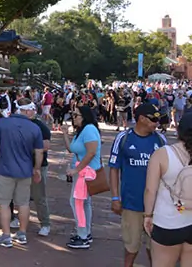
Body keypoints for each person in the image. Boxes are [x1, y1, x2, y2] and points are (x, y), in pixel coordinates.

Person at [109, 104, 166, 267]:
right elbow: (114, 169)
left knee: (154, 249)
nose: (157, 123)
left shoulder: (160, 140)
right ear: (141, 119)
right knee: (130, 247)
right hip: (131, 204)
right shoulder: (124, 138)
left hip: (156, 207)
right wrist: (115, 197)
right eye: (153, 119)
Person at [0, 98, 43, 248]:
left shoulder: (3, 123)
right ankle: (22, 233)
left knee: (3, 203)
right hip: (25, 171)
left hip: (4, 169)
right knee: (23, 203)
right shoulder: (34, 128)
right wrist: (36, 168)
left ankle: (6, 235)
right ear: (25, 110)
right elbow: (39, 152)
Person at [144, 112, 192, 267]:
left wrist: (148, 215)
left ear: (179, 129)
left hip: (167, 223)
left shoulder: (162, 154)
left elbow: (150, 190)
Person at [61, 105, 102, 249]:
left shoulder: (89, 129)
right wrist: (65, 133)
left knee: (77, 202)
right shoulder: (82, 131)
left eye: (76, 115)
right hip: (82, 172)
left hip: (86, 172)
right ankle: (85, 232)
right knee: (83, 203)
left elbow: (91, 153)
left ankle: (83, 235)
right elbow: (72, 149)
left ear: (84, 117)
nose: (74, 118)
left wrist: (76, 169)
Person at [10, 104, 53, 236]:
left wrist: (27, 148)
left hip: (37, 165)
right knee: (19, 195)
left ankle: (45, 224)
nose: (23, 113)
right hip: (20, 165)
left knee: (39, 195)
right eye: (21, 110)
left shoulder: (40, 126)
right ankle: (16, 219)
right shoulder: (15, 124)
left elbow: (46, 146)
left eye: (26, 110)